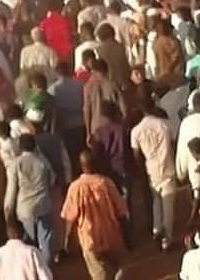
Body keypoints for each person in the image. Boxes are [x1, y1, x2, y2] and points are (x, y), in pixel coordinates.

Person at [61, 150, 127, 280]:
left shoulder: (75, 188)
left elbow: (69, 217)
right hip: (111, 234)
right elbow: (121, 211)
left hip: (89, 239)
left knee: (98, 274)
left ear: (81, 166)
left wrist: (67, 239)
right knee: (120, 266)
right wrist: (126, 234)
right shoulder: (106, 183)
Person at [130, 99, 177, 250]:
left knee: (156, 200)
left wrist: (142, 170)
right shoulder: (165, 124)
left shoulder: (136, 131)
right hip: (167, 166)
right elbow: (173, 144)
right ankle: (167, 238)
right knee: (168, 203)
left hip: (151, 169)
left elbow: (136, 154)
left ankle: (157, 230)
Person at [4, 134, 54, 264]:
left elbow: (11, 190)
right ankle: (46, 269)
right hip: (44, 205)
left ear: (20, 147)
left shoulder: (15, 164)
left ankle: (32, 269)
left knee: (28, 244)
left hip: (25, 209)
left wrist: (8, 210)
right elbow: (52, 180)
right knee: (46, 242)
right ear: (34, 146)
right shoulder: (43, 161)